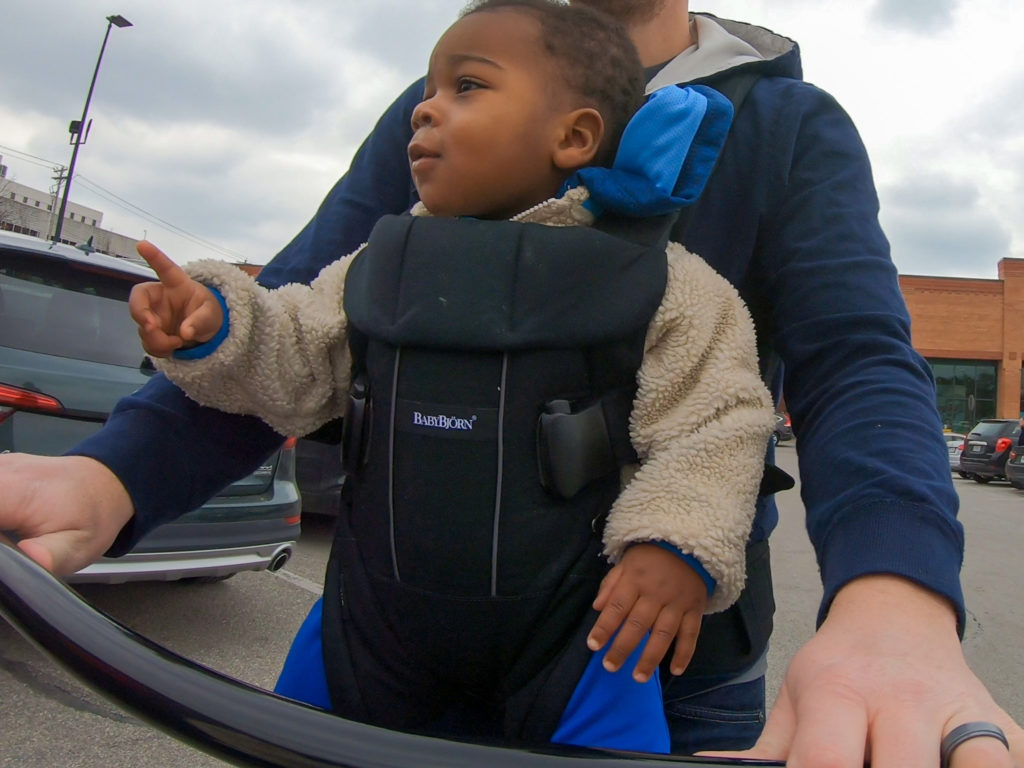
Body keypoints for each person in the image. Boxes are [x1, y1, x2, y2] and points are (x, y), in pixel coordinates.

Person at [1, 1, 1021, 767]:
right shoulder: (442, 103)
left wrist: (893, 600)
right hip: (388, 632)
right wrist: (109, 480)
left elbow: (853, 364)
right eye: (442, 92)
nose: (439, 112)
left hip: (659, 671)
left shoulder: (786, 123)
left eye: (466, 92)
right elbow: (305, 319)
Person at [123, 0, 774, 752]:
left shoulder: (662, 282)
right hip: (369, 627)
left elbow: (721, 420)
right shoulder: (382, 264)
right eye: (429, 90)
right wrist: (221, 325)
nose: (424, 110)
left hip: (577, 639)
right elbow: (297, 357)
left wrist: (677, 545)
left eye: (466, 87)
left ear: (575, 135)